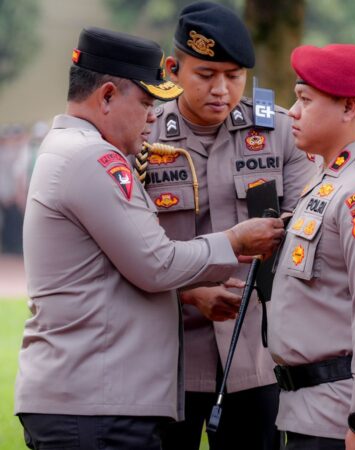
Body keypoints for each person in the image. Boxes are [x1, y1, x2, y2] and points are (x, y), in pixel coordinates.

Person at [15, 27, 285, 450]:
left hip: (91, 399)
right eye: (144, 103)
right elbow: (156, 263)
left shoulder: (69, 148)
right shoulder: (94, 157)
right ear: (106, 96)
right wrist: (235, 240)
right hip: (95, 407)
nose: (154, 116)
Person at [137, 3, 317, 448]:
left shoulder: (277, 132)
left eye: (234, 76)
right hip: (166, 354)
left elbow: (305, 228)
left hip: (255, 355)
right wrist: (187, 292)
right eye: (206, 74)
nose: (222, 89)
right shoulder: (143, 132)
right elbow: (124, 247)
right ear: (173, 69)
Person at [267, 43, 355, 450]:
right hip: (307, 409)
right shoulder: (329, 177)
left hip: (338, 415)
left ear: (348, 108)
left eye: (305, 99)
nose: (292, 110)